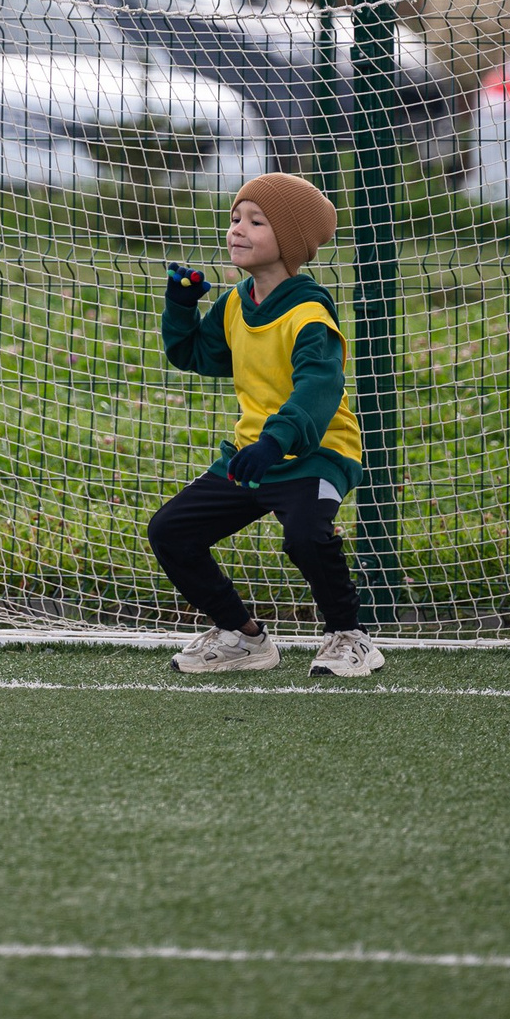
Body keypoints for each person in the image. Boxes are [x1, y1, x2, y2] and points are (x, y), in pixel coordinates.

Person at [150, 172, 381, 678]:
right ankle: (244, 637)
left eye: (256, 221)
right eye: (235, 218)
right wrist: (181, 307)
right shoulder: (236, 301)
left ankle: (350, 636)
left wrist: (277, 441)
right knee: (170, 532)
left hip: (314, 453)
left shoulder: (309, 311)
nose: (237, 229)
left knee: (305, 537)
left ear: (291, 241)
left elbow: (318, 390)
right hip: (253, 453)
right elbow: (196, 354)